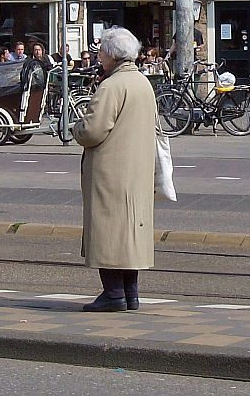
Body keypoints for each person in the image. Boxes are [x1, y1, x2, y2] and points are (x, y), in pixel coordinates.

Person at [72, 27, 156, 313]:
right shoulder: (143, 83)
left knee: (108, 232)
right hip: (138, 170)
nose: (98, 55)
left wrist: (77, 127)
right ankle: (131, 293)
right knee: (131, 234)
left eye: (101, 50)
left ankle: (113, 293)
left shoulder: (112, 86)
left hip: (111, 170)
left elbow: (92, 131)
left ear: (112, 54)